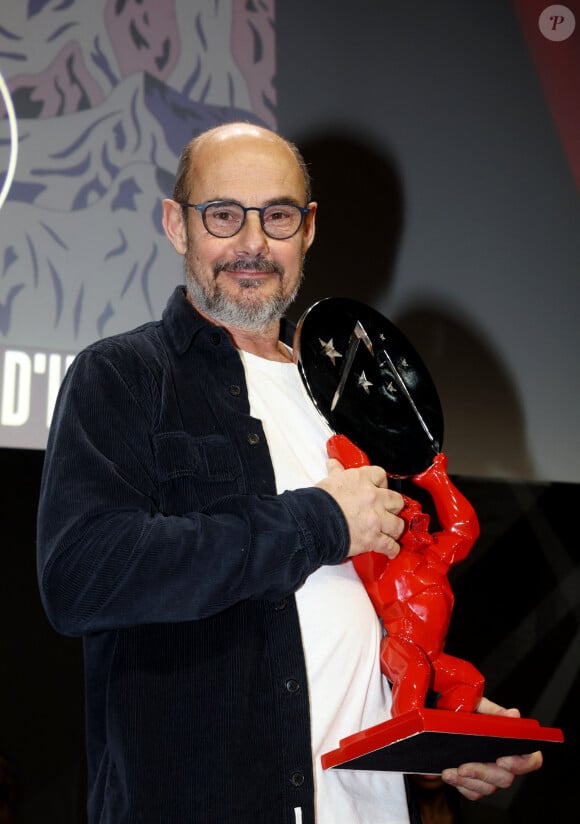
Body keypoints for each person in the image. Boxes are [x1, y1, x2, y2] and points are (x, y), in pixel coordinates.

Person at [36, 121, 542, 824]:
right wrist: (319, 521)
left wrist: (443, 726)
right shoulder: (124, 377)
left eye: (276, 216)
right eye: (223, 215)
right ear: (176, 227)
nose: (252, 243)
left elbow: (370, 618)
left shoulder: (349, 407)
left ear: (306, 230)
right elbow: (83, 576)